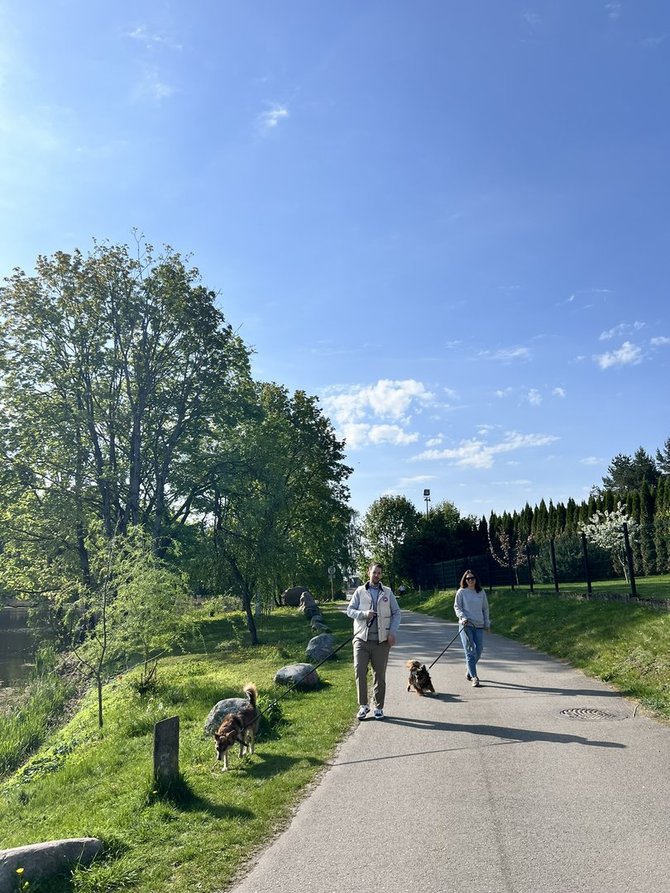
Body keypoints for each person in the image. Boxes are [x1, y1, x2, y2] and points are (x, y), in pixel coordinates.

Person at [346, 562, 401, 720]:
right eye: (374, 572)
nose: (376, 575)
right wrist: (364, 614)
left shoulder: (388, 593)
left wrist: (392, 632)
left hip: (381, 642)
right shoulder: (360, 591)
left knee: (379, 674)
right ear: (368, 572)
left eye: (379, 573)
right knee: (359, 671)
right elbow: (350, 610)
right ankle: (363, 706)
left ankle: (378, 707)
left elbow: (397, 613)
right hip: (361, 639)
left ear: (381, 575)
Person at [453, 569, 490, 687]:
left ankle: (469, 669)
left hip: (478, 625)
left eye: (472, 578)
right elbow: (457, 607)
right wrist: (462, 617)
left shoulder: (481, 592)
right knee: (470, 652)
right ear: (465, 580)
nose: (470, 580)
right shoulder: (461, 592)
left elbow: (485, 609)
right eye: (468, 578)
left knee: (479, 650)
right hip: (466, 625)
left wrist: (487, 623)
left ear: (476, 579)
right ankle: (474, 677)